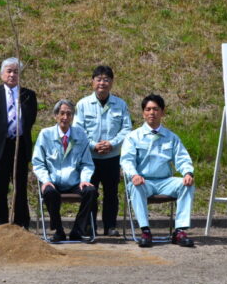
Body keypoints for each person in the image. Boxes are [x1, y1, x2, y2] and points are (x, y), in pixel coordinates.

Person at [120, 94, 195, 248]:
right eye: (148, 109)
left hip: (165, 181)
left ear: (162, 112)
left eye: (155, 109)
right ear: (143, 113)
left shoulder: (171, 137)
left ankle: (180, 231)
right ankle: (145, 231)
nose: (151, 113)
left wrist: (187, 172)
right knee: (135, 186)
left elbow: (182, 157)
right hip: (143, 181)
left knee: (186, 184)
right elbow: (126, 160)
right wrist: (134, 175)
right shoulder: (133, 137)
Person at [74, 65, 132, 236]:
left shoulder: (120, 104)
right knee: (91, 192)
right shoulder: (83, 104)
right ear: (92, 82)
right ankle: (89, 225)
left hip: (112, 156)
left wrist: (112, 144)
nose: (102, 83)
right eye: (99, 79)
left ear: (112, 83)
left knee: (111, 193)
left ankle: (110, 226)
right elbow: (78, 129)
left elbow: (127, 128)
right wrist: (93, 144)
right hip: (89, 157)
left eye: (106, 79)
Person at [0, 57, 37, 228]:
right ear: (2, 74)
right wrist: (1, 133)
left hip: (20, 146)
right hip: (1, 146)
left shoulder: (28, 95)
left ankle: (22, 222)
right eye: (9, 71)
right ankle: (0, 221)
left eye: (16, 72)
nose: (12, 75)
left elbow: (31, 119)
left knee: (20, 187)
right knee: (0, 187)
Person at [32, 100, 97, 242]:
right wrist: (46, 180)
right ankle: (58, 230)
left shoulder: (80, 134)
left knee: (91, 191)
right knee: (48, 192)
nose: (65, 117)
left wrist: (84, 179)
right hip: (53, 181)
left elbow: (87, 163)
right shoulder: (45, 134)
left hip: (74, 182)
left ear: (73, 117)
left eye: (69, 114)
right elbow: (38, 162)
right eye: (62, 113)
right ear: (56, 115)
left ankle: (77, 230)